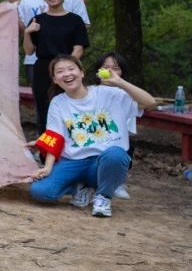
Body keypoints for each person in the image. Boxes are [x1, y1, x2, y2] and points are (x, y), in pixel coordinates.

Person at [29, 55, 156, 218]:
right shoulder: (58, 102)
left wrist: (120, 82)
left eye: (71, 69)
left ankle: (103, 196)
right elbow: (55, 136)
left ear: (82, 72)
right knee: (40, 191)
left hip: (102, 161)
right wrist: (47, 168)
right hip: (73, 161)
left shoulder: (109, 93)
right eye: (60, 71)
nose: (67, 74)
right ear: (54, 79)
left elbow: (150, 103)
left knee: (116, 154)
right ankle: (79, 187)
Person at [23, 0, 89, 131]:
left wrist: (66, 69)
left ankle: (73, 143)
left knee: (71, 108)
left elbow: (79, 48)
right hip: (43, 71)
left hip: (68, 71)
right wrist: (27, 32)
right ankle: (46, 144)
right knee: (44, 110)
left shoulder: (75, 20)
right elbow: (28, 50)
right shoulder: (37, 20)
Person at [17, 0, 90, 87]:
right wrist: (11, 10)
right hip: (36, 62)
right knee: (41, 98)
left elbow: (82, 28)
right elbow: (23, 30)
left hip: (68, 61)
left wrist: (68, 64)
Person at [94, 52, 137, 199]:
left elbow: (149, 103)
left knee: (125, 146)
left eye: (116, 68)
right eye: (105, 67)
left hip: (116, 142)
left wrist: (120, 84)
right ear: (98, 70)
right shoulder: (88, 92)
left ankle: (117, 181)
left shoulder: (127, 95)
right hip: (93, 138)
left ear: (122, 72)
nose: (110, 71)